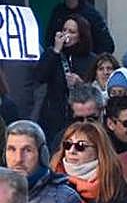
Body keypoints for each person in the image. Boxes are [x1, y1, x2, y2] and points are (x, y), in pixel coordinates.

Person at [33, 14, 98, 143]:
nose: (66, 34)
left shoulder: (91, 59)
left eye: (72, 32)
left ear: (81, 35)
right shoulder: (52, 54)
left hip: (78, 115)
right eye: (64, 30)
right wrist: (56, 51)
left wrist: (81, 83)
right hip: (54, 116)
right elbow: (40, 76)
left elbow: (97, 89)